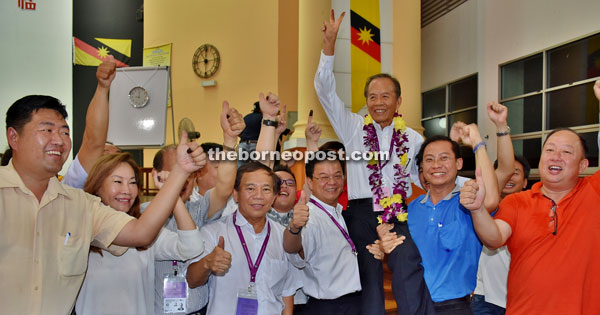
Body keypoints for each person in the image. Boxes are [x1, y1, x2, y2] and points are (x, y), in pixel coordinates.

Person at [0, 95, 206, 314]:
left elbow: (141, 233)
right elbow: (93, 141)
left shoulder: (80, 205)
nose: (59, 140)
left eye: (64, 132)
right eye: (47, 130)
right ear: (14, 137)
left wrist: (181, 171)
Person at [315, 10, 431, 314]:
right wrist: (328, 47)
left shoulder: (414, 140)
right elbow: (325, 92)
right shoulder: (352, 128)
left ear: (398, 101)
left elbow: (429, 177)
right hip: (361, 213)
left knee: (407, 264)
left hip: (397, 214)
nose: (378, 102)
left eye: (385, 96)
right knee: (368, 274)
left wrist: (467, 184)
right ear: (366, 101)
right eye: (372, 97)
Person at [459, 80, 600, 314]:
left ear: (583, 164)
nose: (556, 157)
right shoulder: (518, 201)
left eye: (566, 152)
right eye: (550, 150)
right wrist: (477, 209)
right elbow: (494, 238)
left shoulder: (594, 192)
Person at [75, 153, 204, 314]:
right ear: (97, 185)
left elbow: (192, 247)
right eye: (118, 181)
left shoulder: (144, 228)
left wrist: (172, 195)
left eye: (132, 182)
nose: (127, 190)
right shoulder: (80, 226)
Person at [151, 101, 244, 315]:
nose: (183, 180)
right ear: (157, 174)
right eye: (175, 171)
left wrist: (230, 140)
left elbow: (224, 187)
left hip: (199, 310)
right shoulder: (143, 214)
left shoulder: (200, 209)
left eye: (189, 173)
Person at [403, 124, 498, 315]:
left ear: (459, 164)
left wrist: (478, 144)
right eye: (429, 159)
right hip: (415, 303)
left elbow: (491, 198)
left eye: (444, 158)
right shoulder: (412, 209)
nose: (436, 165)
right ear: (422, 167)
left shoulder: (468, 203)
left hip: (456, 306)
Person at [186, 162, 301, 315]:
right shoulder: (214, 231)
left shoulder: (283, 236)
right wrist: (207, 263)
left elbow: (287, 291)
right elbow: (192, 280)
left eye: (266, 189)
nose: (258, 196)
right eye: (250, 188)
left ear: (274, 197)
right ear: (235, 194)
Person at [283, 152, 362, 314]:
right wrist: (295, 228)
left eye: (337, 176)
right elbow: (294, 249)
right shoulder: (310, 218)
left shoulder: (338, 212)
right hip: (329, 307)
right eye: (324, 177)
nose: (332, 182)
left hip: (350, 303)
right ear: (310, 182)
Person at [470, 102, 530, 315]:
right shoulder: (488, 202)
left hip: (522, 297)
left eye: (518, 173)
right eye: (508, 173)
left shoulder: (532, 206)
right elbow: (504, 167)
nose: (511, 176)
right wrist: (499, 127)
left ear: (525, 182)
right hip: (486, 298)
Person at [62, 56, 118, 189]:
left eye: (117, 154)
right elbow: (94, 143)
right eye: (104, 152)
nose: (111, 157)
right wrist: (102, 88)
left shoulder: (140, 207)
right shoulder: (73, 189)